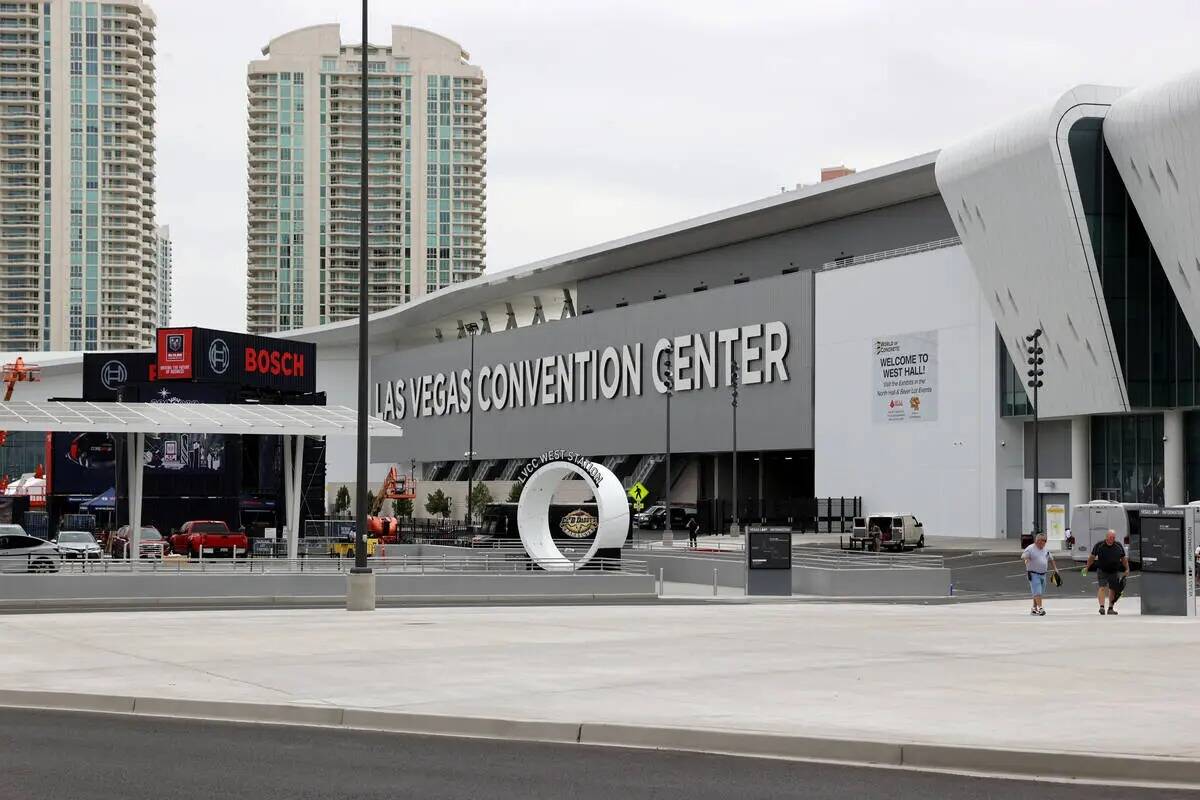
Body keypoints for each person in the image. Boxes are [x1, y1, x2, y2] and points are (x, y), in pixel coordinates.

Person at [1085, 529, 1130, 615]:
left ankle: (1110, 608)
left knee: (1113, 589)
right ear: (1106, 537)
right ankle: (1102, 607)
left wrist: (1127, 568)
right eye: (1110, 537)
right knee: (1102, 587)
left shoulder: (1118, 546)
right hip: (1102, 570)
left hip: (1114, 571)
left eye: (1113, 537)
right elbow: (1092, 557)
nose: (1112, 539)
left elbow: (1123, 559)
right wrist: (1087, 567)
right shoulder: (1099, 545)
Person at [1021, 532, 1058, 616]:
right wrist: (1027, 558)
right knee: (1037, 591)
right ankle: (1040, 608)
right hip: (1033, 574)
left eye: (1045, 541)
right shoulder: (1030, 548)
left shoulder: (1045, 549)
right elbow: (1023, 556)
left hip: (1043, 574)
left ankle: (1034, 608)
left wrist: (1055, 568)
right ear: (1037, 541)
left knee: (1039, 592)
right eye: (1042, 541)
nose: (1043, 543)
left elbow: (1051, 558)